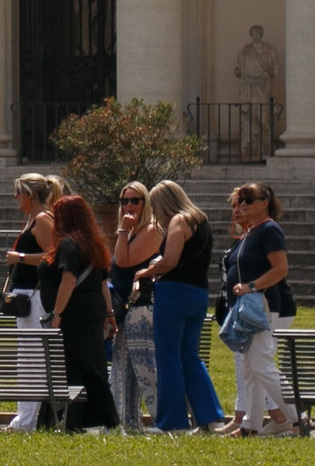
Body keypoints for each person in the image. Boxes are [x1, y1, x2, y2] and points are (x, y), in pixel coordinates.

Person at [143, 179, 225, 433]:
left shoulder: (178, 221)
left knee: (168, 357)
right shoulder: (201, 222)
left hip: (174, 293)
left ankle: (172, 421)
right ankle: (210, 417)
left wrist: (146, 272)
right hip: (198, 294)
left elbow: (169, 261)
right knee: (190, 356)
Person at [222, 181, 298, 437]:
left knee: (261, 363)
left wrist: (252, 286)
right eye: (240, 200)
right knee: (249, 367)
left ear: (265, 202)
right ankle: (250, 426)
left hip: (261, 304)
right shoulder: (251, 231)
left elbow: (280, 268)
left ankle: (298, 418)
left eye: (248, 200)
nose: (242, 204)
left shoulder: (269, 230)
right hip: (245, 306)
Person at [45, 195, 119, 432]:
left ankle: (76, 419)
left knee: (72, 366)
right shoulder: (94, 244)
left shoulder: (67, 244)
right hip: (94, 309)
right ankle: (94, 418)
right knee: (92, 363)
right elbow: (103, 284)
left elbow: (69, 279)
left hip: (75, 312)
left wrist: (57, 314)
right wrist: (109, 313)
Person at [3, 172, 62, 432]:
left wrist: (21, 257)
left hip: (37, 298)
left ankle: (32, 418)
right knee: (26, 360)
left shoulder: (42, 219)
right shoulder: (31, 219)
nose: (16, 198)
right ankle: (25, 418)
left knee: (35, 359)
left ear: (30, 195)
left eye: (19, 193)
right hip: (25, 297)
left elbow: (54, 255)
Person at [108, 182, 162, 433]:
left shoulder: (151, 230)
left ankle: (165, 420)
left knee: (147, 371)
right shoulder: (130, 232)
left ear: (146, 202)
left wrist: (121, 230)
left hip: (143, 309)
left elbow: (125, 260)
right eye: (124, 201)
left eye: (135, 200)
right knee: (123, 371)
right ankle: (127, 422)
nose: (129, 205)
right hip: (125, 311)